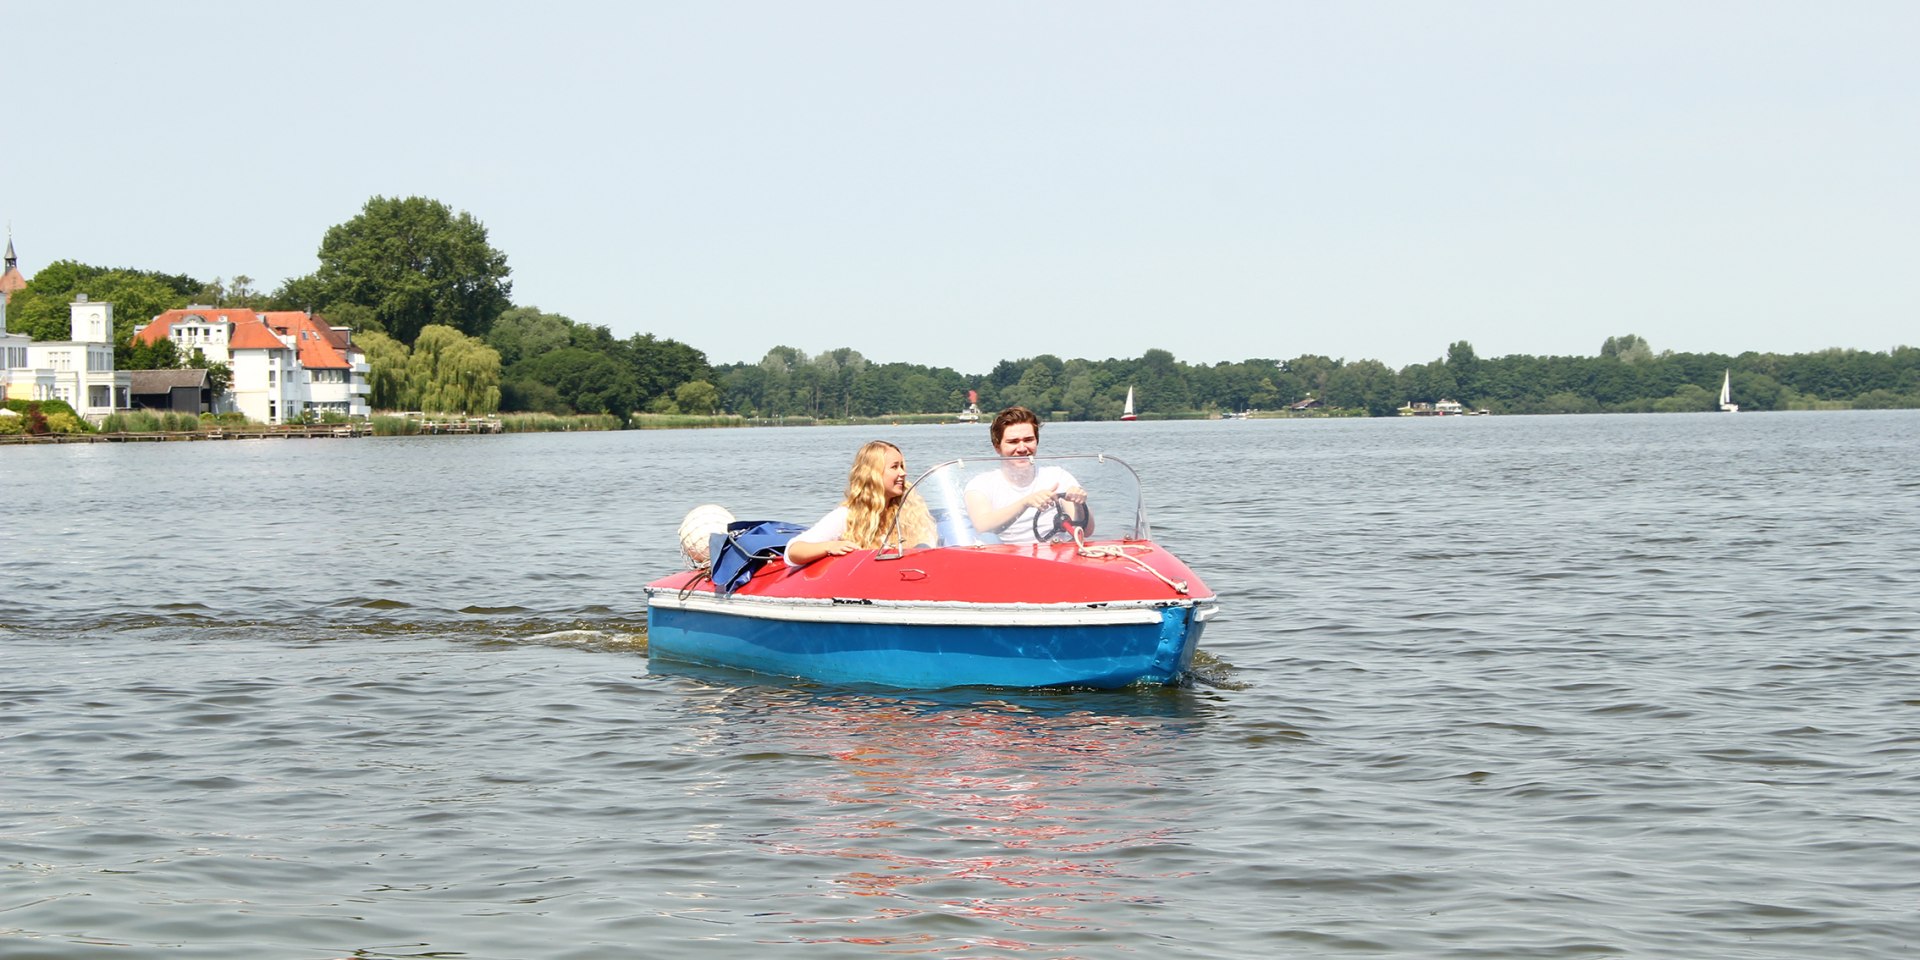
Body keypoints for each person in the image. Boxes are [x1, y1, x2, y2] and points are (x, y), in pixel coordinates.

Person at [786, 440, 935, 566]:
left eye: (902, 466)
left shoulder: (911, 512)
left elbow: (930, 548)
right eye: (895, 467)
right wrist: (830, 546)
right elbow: (793, 551)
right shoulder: (847, 515)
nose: (903, 473)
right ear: (873, 474)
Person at [963, 406, 1086, 545]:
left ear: (1036, 441)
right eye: (1013, 442)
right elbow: (982, 525)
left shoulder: (1058, 476)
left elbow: (1086, 530)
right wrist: (1025, 503)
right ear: (997, 447)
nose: (1022, 449)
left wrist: (1078, 503)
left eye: (1028, 440)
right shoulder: (980, 485)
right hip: (1008, 558)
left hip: (1059, 553)